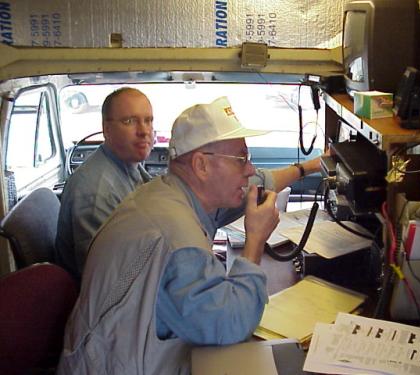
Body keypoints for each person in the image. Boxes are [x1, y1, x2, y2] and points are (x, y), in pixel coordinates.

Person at [57, 96, 322, 375]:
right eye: (241, 159)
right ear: (201, 166)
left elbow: (254, 184)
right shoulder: (178, 241)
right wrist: (255, 240)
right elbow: (230, 325)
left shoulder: (168, 193)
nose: (250, 169)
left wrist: (307, 168)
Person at [55, 87, 155, 283]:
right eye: (129, 121)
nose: (144, 131)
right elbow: (107, 279)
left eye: (148, 120)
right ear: (106, 129)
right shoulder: (96, 192)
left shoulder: (129, 166)